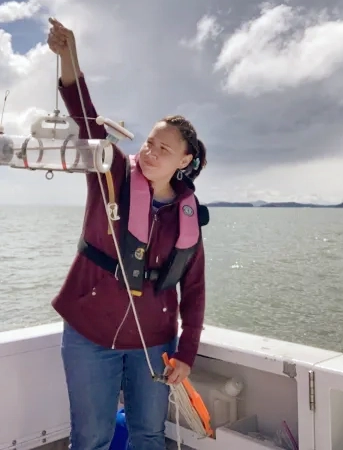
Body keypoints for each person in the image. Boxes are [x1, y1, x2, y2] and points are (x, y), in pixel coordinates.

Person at [47, 18, 207, 450]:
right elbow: (86, 121)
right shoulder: (113, 173)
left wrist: (186, 354)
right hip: (88, 334)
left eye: (164, 149)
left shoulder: (187, 216)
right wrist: (69, 60)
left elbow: (193, 291)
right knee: (92, 436)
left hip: (154, 343)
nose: (151, 153)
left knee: (149, 435)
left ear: (185, 160)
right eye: (150, 143)